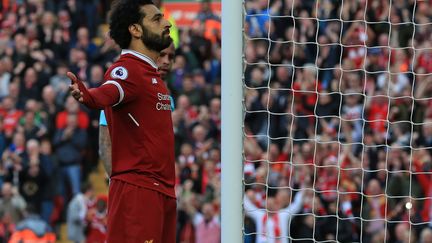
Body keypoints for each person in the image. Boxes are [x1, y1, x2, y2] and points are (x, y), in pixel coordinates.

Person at [67, 0, 176, 242]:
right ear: (135, 30)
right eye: (157, 19)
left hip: (163, 190)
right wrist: (88, 96)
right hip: (139, 190)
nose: (166, 23)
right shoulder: (127, 69)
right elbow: (109, 91)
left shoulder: (152, 76)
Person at [99, 42, 176, 177]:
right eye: (161, 55)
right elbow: (105, 142)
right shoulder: (127, 88)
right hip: (132, 180)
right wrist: (117, 180)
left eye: (171, 57)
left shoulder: (168, 97)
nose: (166, 62)